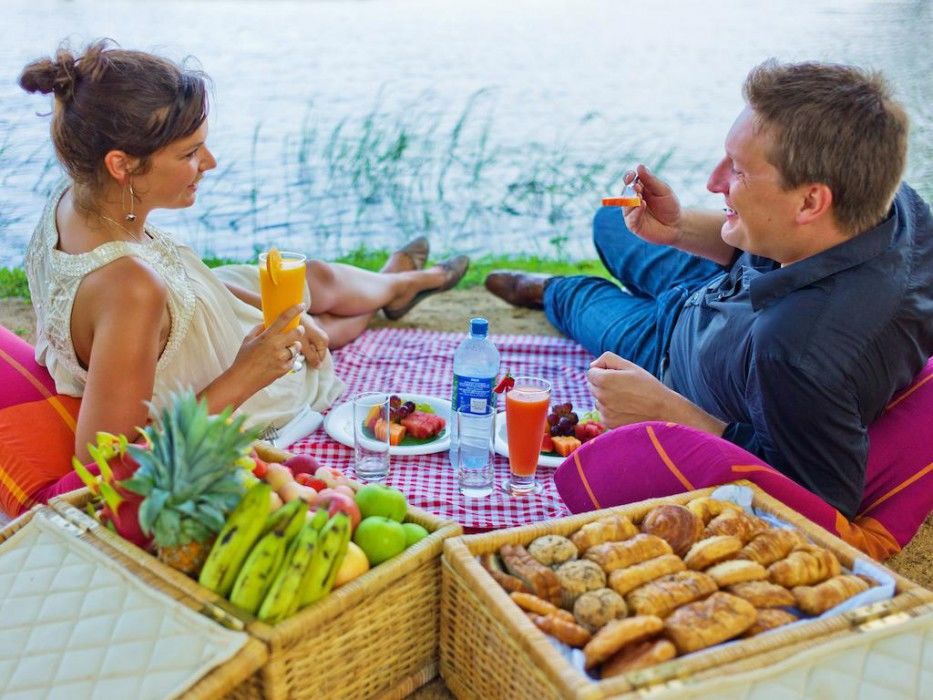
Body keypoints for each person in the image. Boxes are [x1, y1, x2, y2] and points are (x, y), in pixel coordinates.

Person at [486, 60, 933, 519]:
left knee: (582, 301)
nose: (714, 182)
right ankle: (639, 255)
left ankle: (549, 291)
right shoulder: (898, 206)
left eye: (738, 171)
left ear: (810, 201)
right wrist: (678, 227)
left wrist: (666, 409)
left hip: (667, 354)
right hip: (720, 282)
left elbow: (815, 505)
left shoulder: (796, 350)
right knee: (609, 221)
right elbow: (783, 245)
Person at [20, 41, 468, 462]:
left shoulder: (79, 194)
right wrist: (246, 375)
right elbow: (104, 464)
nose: (210, 163)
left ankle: (398, 283)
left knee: (305, 282)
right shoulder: (130, 289)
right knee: (319, 344)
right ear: (121, 165)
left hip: (188, 307)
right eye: (191, 153)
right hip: (201, 380)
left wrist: (259, 307)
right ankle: (398, 287)